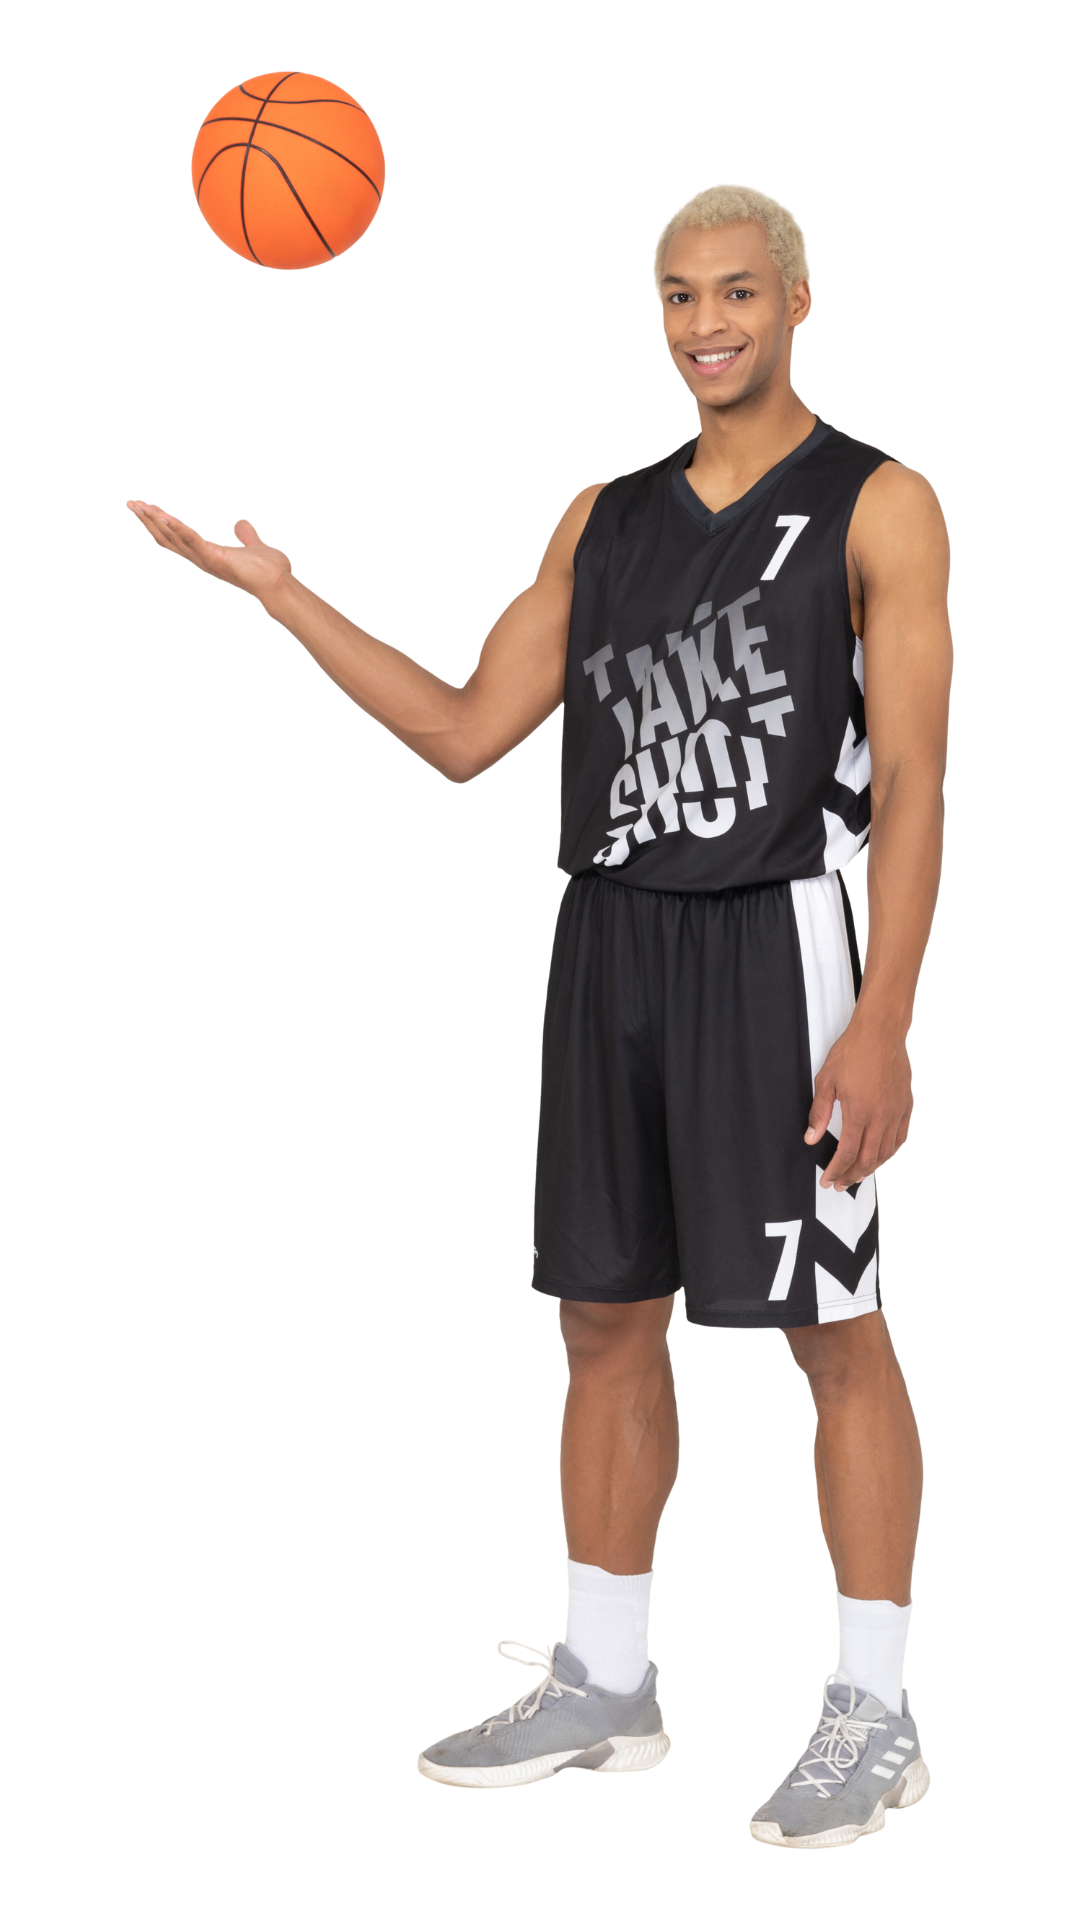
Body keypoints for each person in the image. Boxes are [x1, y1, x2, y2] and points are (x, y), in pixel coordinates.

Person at [125, 179, 952, 1847]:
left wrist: (883, 1020)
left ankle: (874, 1709)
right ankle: (608, 1680)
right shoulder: (603, 516)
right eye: (678, 296)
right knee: (603, 1320)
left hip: (775, 940)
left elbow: (920, 788)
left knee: (831, 1330)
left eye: (737, 291)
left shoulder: (880, 500)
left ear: (798, 301)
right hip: (609, 943)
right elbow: (458, 734)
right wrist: (280, 594)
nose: (707, 323)